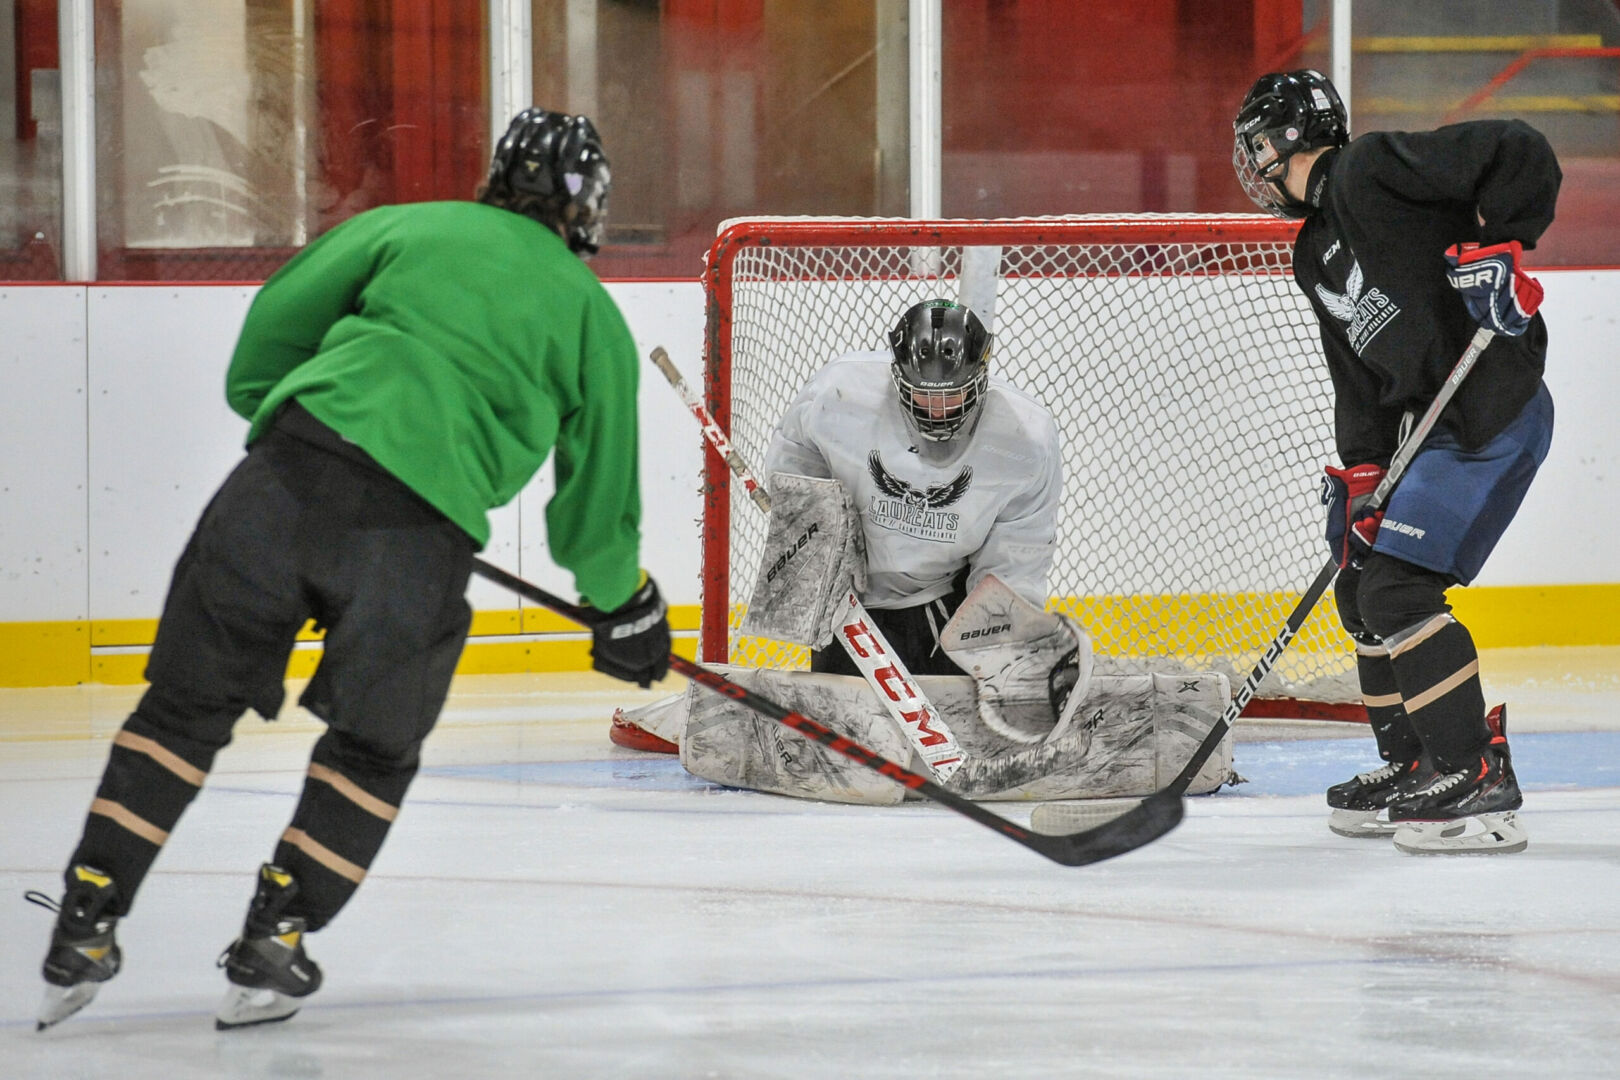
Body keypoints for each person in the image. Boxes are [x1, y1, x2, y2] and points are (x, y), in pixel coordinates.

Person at [30, 108, 672, 1032]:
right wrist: (623, 609)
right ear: (588, 207)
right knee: (371, 750)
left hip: (280, 484)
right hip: (414, 547)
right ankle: (275, 941)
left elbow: (271, 331)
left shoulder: (407, 226)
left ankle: (86, 919)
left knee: (181, 710)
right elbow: (594, 510)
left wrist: (297, 430)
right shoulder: (591, 317)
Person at [1232, 70, 1559, 854]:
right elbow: (1360, 382)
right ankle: (1415, 761)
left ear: (1284, 140)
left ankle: (1475, 771)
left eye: (1256, 146)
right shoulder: (1313, 253)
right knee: (1361, 583)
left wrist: (1501, 248)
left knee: (1400, 586)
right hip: (1427, 427)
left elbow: (1518, 149)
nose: (1252, 165)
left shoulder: (1373, 168)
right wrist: (1363, 474)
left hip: (1490, 414)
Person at [762, 298, 1063, 677]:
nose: (937, 411)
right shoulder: (839, 395)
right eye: (924, 395)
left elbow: (1017, 554)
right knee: (845, 726)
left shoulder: (1023, 439)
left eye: (952, 395)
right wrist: (814, 528)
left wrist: (1001, 646)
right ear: (897, 375)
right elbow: (795, 459)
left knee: (949, 724)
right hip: (845, 604)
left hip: (941, 605)